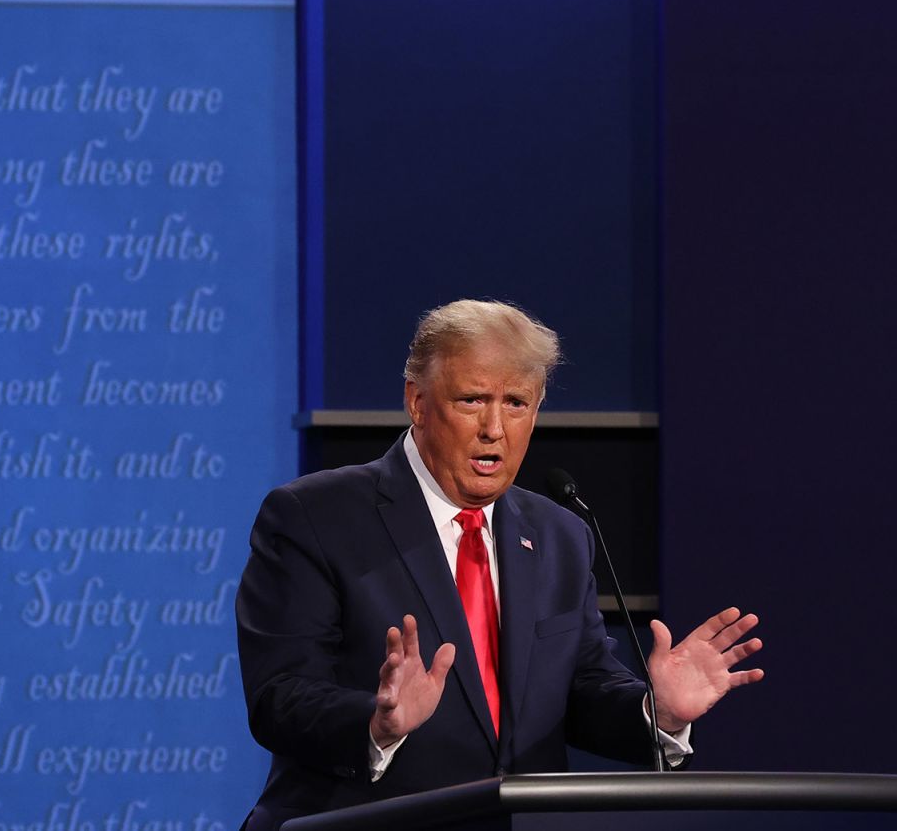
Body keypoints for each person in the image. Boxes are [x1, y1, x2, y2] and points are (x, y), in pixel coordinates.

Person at [235, 299, 764, 830]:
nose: (495, 428)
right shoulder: (313, 515)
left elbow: (580, 689)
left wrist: (659, 714)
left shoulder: (560, 534)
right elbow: (279, 696)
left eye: (516, 403)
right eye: (472, 400)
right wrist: (378, 723)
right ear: (417, 403)